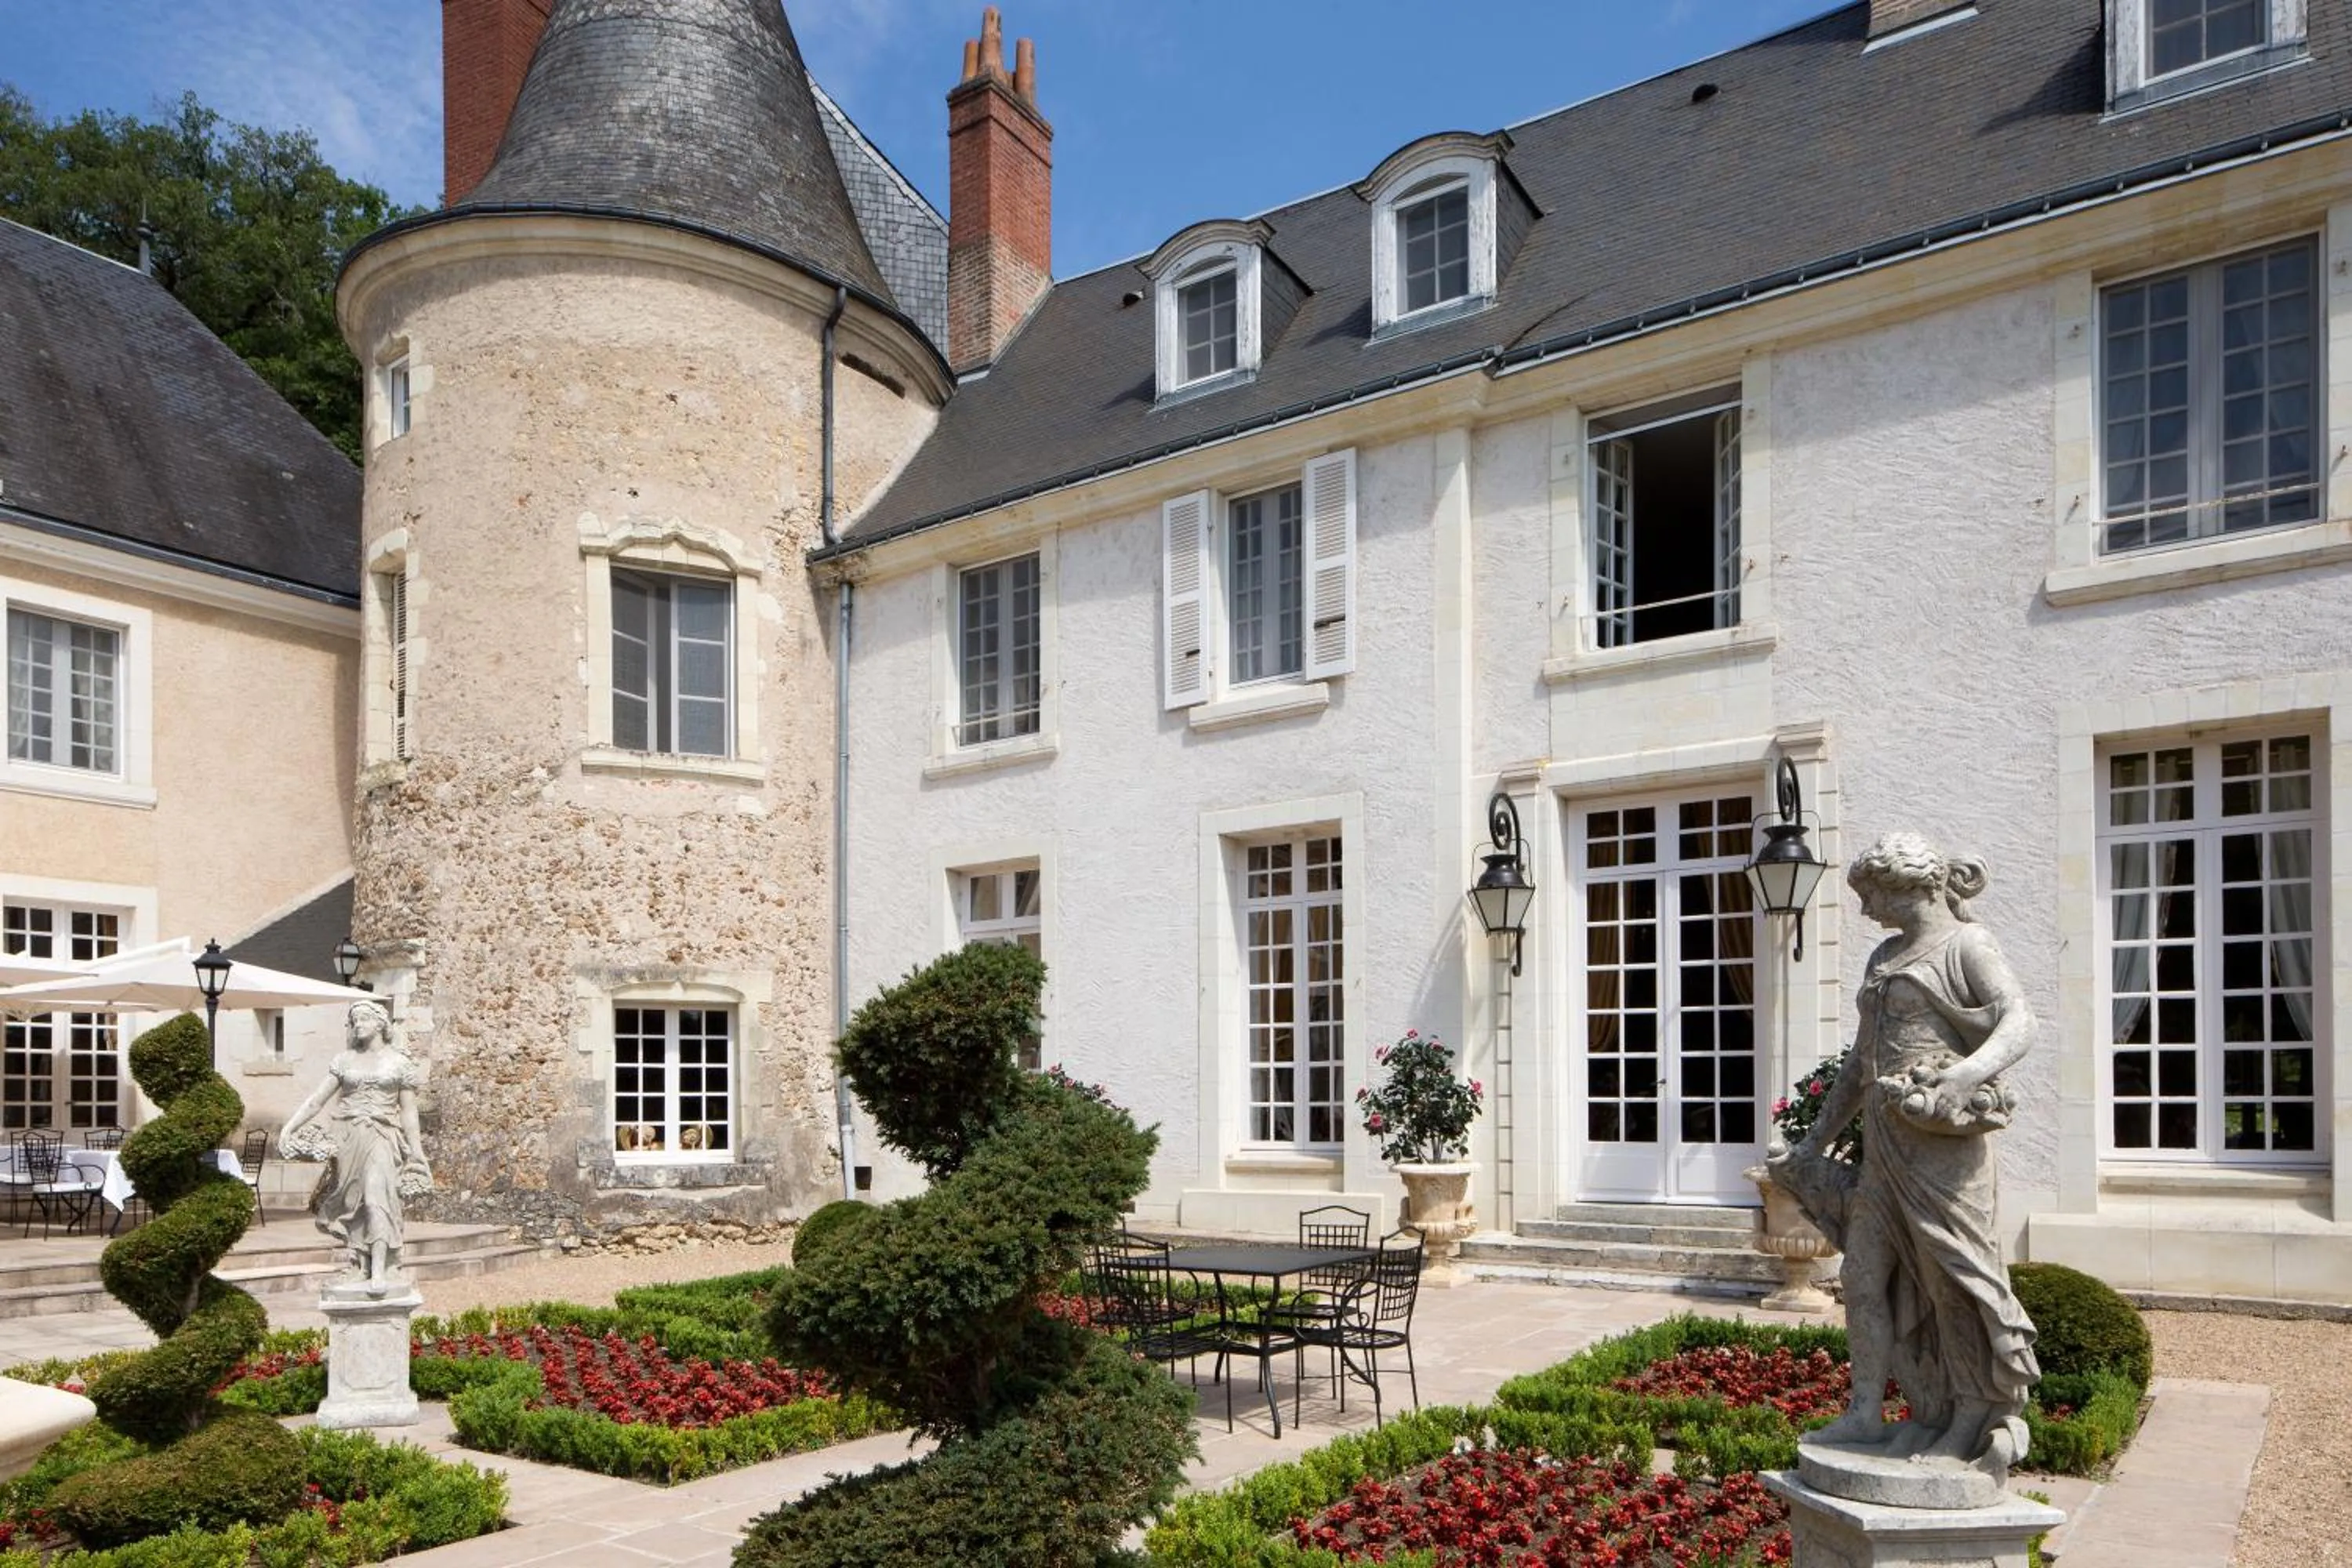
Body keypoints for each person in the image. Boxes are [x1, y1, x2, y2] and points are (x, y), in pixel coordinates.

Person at [1769, 833, 2041, 1472]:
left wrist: (1965, 1077)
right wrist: (1812, 1143)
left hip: (1944, 1155)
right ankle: (1870, 1410)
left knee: (1952, 1286)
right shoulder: (1885, 957)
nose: (1866, 911)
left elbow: (2020, 1022)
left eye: (1871, 895)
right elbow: (1863, 1065)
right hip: (1886, 1150)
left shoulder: (1967, 945)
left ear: (1906, 886)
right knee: (1863, 1278)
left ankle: (1969, 1417)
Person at [280, 999, 433, 1295]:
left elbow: (408, 1112)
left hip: (382, 1136)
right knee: (353, 1204)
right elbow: (317, 1100)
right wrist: (290, 1127)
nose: (357, 1025)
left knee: (377, 1198)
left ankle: (379, 1270)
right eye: (354, 1021)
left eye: (363, 1019)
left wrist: (417, 1151)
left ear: (380, 1024)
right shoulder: (344, 1061)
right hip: (348, 1138)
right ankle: (359, 1265)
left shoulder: (399, 1063)